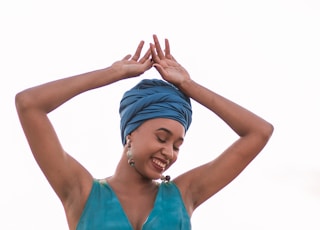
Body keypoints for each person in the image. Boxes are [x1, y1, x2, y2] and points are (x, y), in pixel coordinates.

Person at [15, 34, 273, 230]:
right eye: (162, 137)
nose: (169, 152)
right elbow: (29, 104)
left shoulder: (184, 195)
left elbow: (259, 132)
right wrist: (112, 73)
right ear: (130, 134)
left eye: (177, 145)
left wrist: (188, 85)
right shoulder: (81, 192)